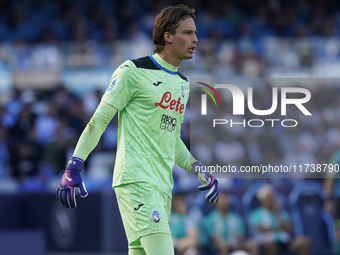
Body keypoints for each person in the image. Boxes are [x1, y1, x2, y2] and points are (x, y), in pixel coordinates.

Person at [55, 4, 219, 255]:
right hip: (137, 180)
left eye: (195, 33)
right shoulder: (132, 71)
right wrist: (74, 164)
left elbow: (171, 139)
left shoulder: (182, 84)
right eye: (187, 33)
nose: (195, 39)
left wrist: (198, 168)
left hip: (163, 185)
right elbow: (98, 121)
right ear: (167, 36)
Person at [248, 184, 310, 255]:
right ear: (262, 200)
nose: (271, 200)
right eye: (268, 198)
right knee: (270, 246)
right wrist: (279, 227)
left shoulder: (282, 212)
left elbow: (288, 229)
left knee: (304, 242)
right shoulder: (256, 214)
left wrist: (277, 214)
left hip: (284, 241)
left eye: (272, 198)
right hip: (267, 242)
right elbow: (262, 229)